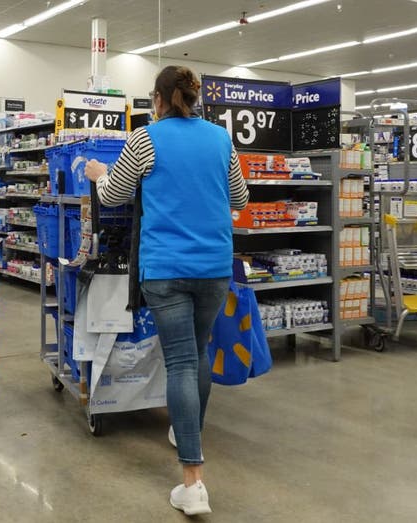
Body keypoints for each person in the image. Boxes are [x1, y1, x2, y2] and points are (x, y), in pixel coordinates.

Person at [85, 65, 249, 515]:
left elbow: (112, 195)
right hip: (214, 267)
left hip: (165, 269)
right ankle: (186, 427)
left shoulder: (145, 138)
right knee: (197, 352)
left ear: (158, 99)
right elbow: (240, 199)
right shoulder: (220, 139)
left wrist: (99, 171)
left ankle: (193, 481)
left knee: (178, 360)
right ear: (193, 99)